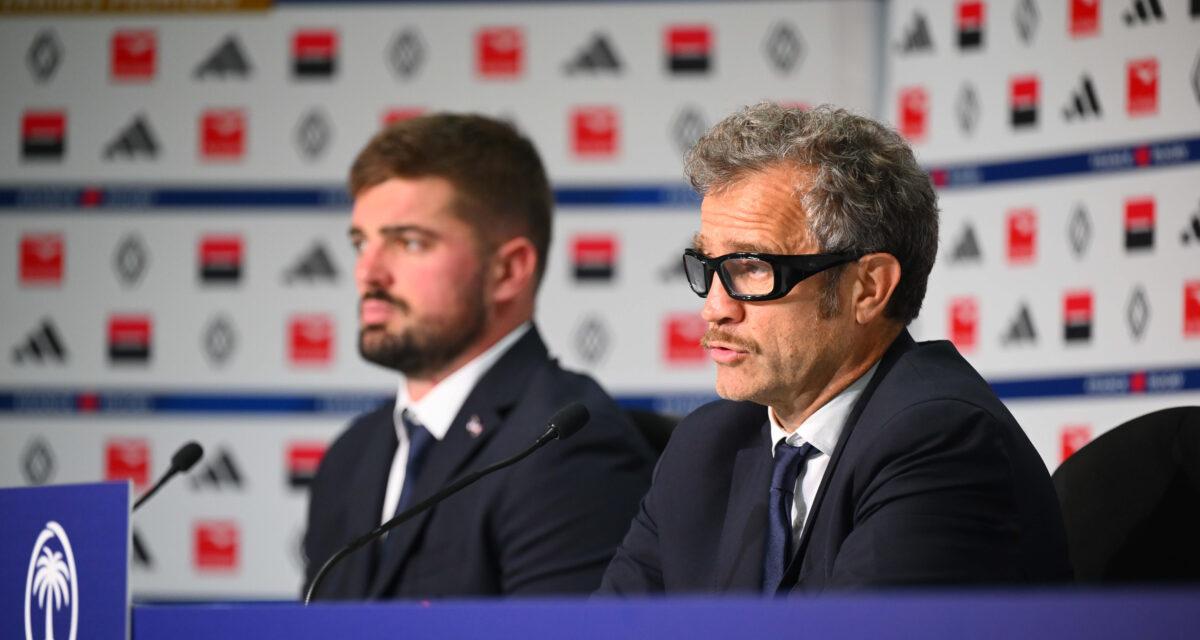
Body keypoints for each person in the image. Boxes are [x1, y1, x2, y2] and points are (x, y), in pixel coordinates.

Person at [598, 103, 1072, 595]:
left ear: (868, 288)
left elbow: (857, 629)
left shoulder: (941, 439)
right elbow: (608, 627)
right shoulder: (706, 447)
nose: (714, 309)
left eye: (752, 268)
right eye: (708, 265)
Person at [304, 113, 654, 600]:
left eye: (409, 242)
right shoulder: (350, 455)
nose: (368, 272)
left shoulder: (562, 447)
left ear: (508, 271)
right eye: (362, 243)